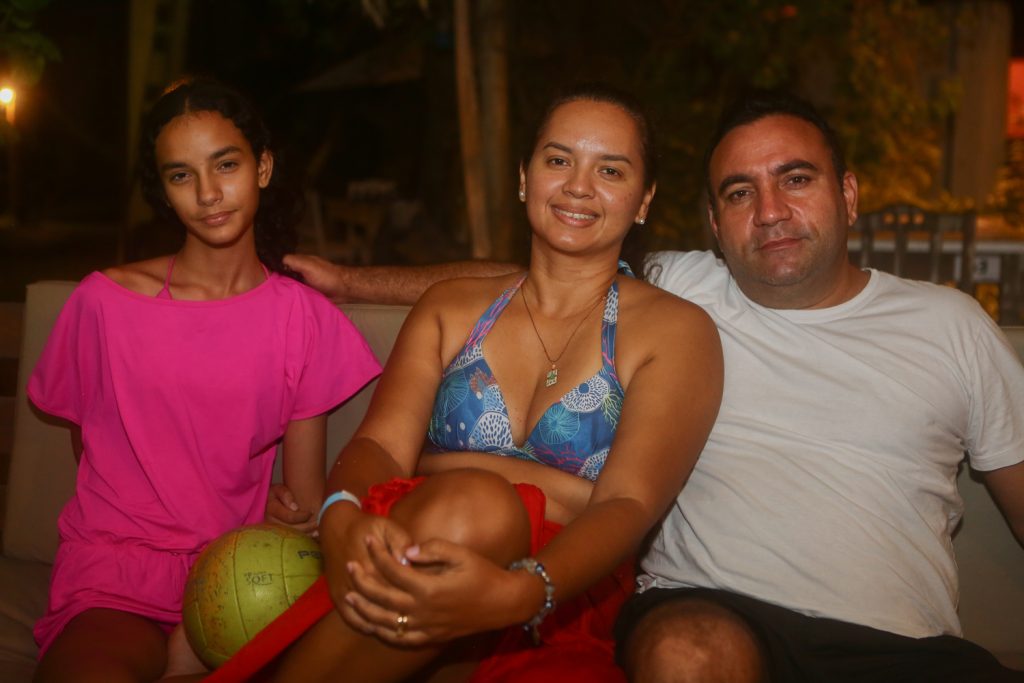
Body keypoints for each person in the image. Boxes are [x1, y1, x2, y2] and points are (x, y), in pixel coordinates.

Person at [284, 90, 1024, 682]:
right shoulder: (687, 283)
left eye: (796, 179)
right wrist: (349, 282)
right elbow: (513, 280)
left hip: (902, 642)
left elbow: (628, 499)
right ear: (710, 220)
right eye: (740, 192)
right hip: (715, 617)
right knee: (685, 653)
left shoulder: (948, 324)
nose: (770, 211)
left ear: (850, 192)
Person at [201, 83, 723, 683]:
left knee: (485, 507)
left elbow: (627, 503)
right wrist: (341, 512)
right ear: (525, 178)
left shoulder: (676, 331)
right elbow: (379, 447)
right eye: (558, 160)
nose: (579, 185)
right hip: (412, 544)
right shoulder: (450, 306)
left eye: (610, 169)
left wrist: (520, 592)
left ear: (643, 201)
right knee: (476, 505)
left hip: (559, 591)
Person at [28, 77, 381, 682]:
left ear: (262, 167)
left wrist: (289, 512)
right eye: (181, 175)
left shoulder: (301, 318)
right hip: (116, 570)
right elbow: (92, 446)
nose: (209, 194)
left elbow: (302, 502)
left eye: (226, 165)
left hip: (237, 576)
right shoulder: (104, 303)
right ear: (163, 192)